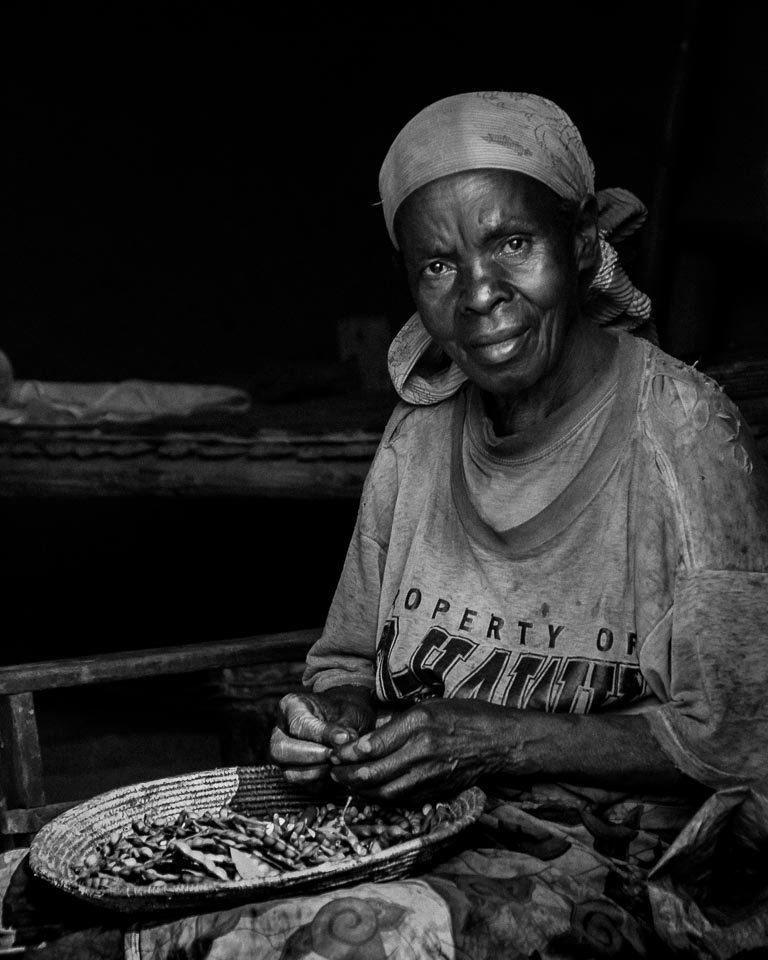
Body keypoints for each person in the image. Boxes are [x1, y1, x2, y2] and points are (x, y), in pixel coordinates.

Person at [269, 91, 768, 809]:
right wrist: (335, 721)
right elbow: (346, 663)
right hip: (422, 833)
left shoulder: (685, 434)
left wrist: (499, 741)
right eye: (438, 266)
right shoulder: (417, 438)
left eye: (513, 243)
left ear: (584, 239)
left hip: (618, 856)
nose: (478, 294)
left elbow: (742, 735)